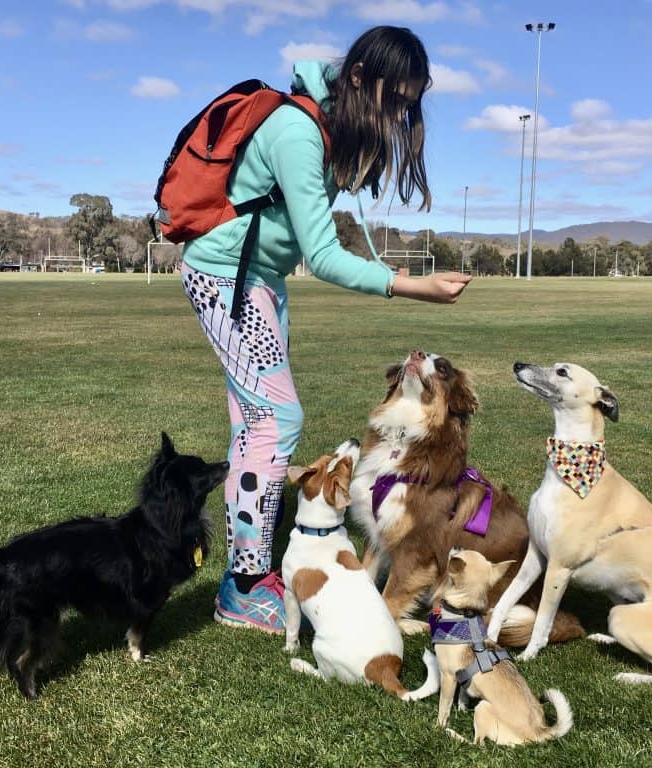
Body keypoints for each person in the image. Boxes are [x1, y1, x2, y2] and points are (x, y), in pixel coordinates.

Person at [180, 25, 471, 634]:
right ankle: (243, 585)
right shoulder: (294, 130)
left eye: (411, 103)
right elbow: (324, 252)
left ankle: (246, 564)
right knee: (277, 419)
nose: (401, 115)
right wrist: (411, 285)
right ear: (360, 79)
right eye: (397, 99)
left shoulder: (330, 129)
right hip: (224, 278)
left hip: (258, 280)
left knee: (253, 423)